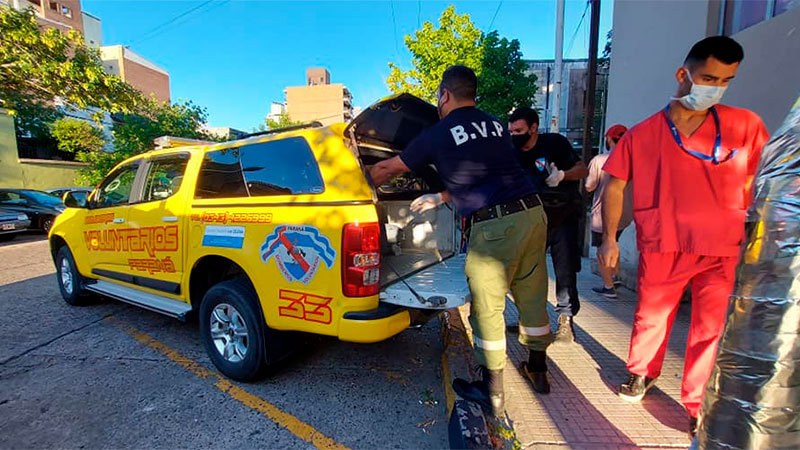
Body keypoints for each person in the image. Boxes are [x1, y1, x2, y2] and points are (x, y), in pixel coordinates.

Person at [597, 36, 769, 437]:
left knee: (711, 329)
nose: (717, 87)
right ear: (683, 74)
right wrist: (609, 240)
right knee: (651, 317)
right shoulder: (643, 134)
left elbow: (764, 180)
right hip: (665, 241)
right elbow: (615, 184)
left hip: (724, 246)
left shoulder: (745, 125)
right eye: (709, 77)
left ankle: (697, 403)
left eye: (726, 80)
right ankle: (642, 373)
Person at [369, 66, 553, 417]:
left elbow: (388, 169)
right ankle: (538, 369)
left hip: (496, 227)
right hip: (533, 214)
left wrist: (364, 179)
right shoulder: (497, 125)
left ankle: (492, 392)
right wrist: (440, 196)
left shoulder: (438, 134)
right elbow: (483, 175)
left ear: (444, 95)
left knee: (487, 305)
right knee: (531, 291)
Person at [508, 107, 589, 343]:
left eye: (520, 130)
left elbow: (582, 169)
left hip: (562, 216)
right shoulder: (511, 151)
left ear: (534, 128)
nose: (515, 135)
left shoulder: (554, 143)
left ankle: (565, 321)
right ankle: (530, 320)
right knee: (526, 272)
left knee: (564, 270)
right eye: (511, 131)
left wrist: (562, 175)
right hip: (531, 218)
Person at [586, 124, 631, 298]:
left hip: (603, 214)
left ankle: (608, 286)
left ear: (609, 139)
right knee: (615, 242)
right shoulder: (632, 159)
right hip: (625, 213)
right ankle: (615, 275)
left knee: (603, 247)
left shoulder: (599, 160)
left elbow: (589, 186)